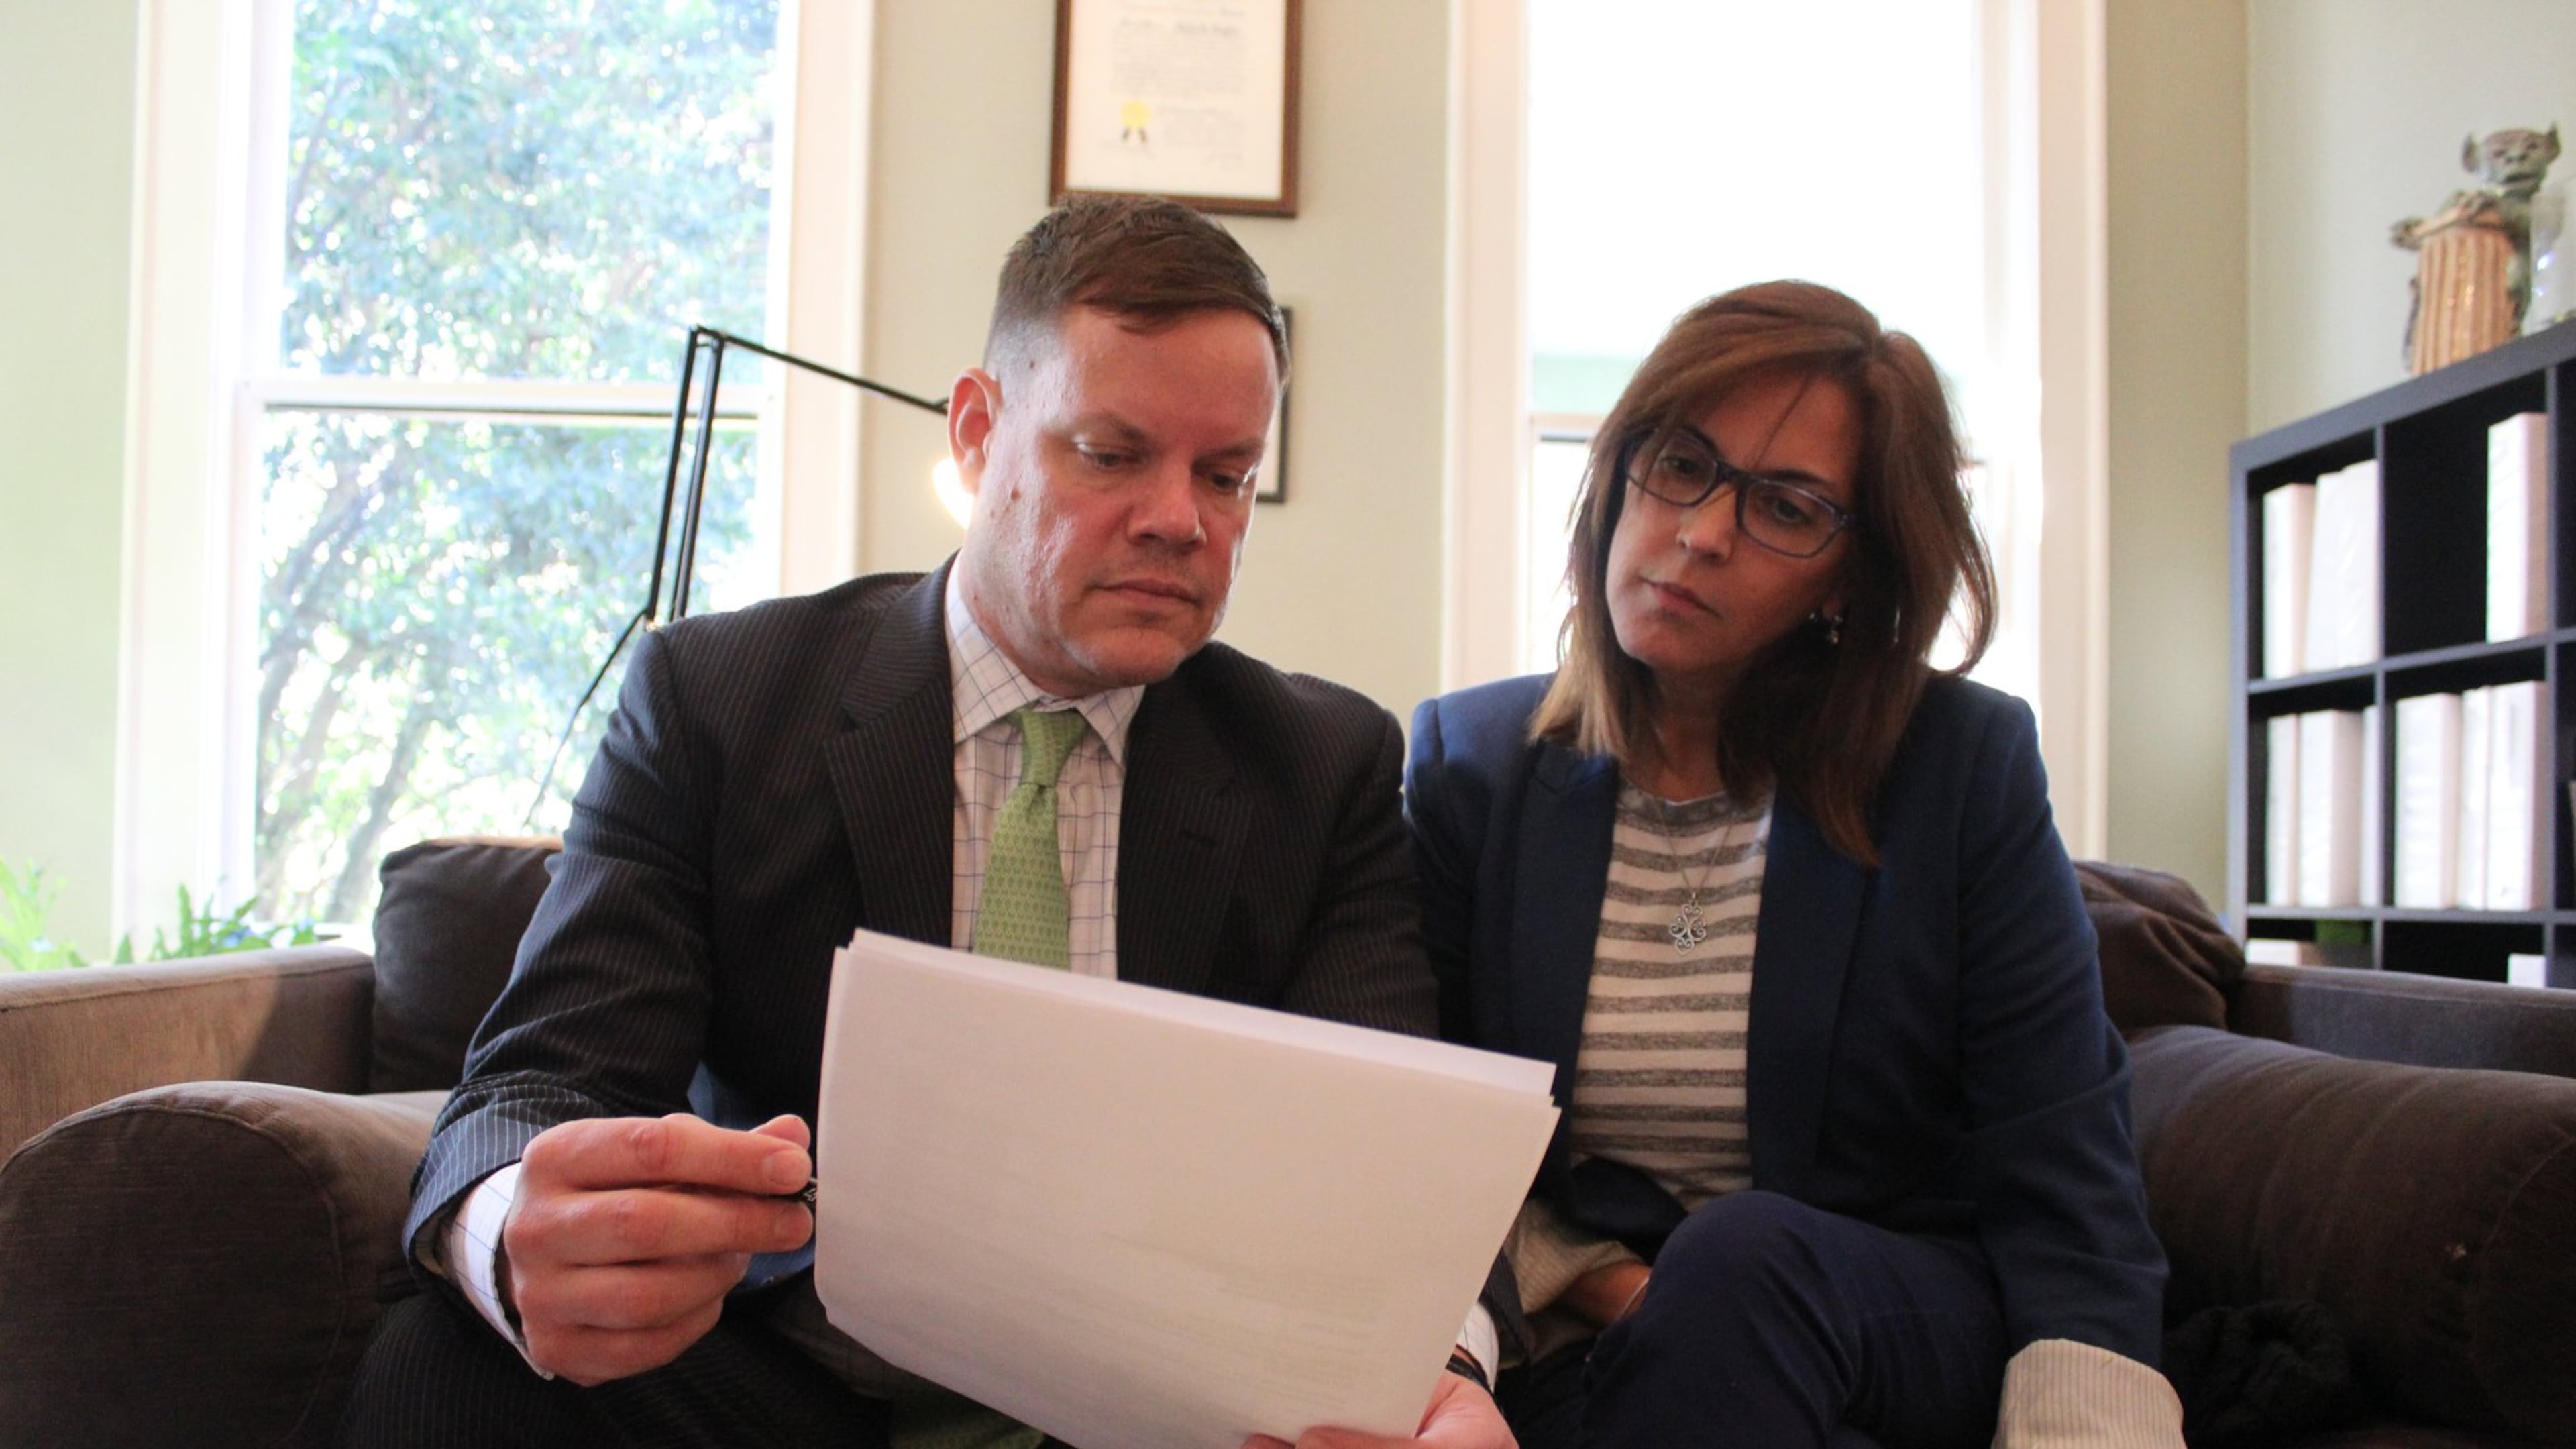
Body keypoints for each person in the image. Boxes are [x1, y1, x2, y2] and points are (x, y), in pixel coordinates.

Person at [339, 195, 1517, 1449]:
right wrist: (513, 1230)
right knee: (449, 1365)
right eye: (1111, 454)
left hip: (1163, 1413)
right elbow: (544, 1076)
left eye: (1225, 477)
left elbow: (1404, 1169)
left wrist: (1446, 1377)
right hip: (797, 1388)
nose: (1181, 519)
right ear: (976, 434)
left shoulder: (1319, 765)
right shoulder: (721, 700)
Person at [1405, 282, 2182, 1448]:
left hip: (1880, 1312)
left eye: (1786, 507)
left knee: (1745, 1258)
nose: (1703, 532)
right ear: (1618, 471)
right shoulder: (1473, 766)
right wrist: (1614, 1287)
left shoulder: (1962, 766)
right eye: (1681, 464)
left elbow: (2061, 1160)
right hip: (1599, 1337)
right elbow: (1427, 1138)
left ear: (1850, 577)